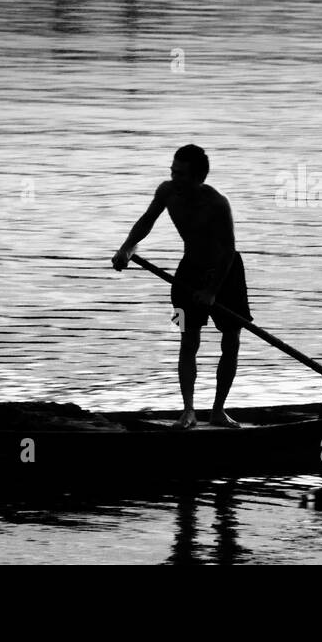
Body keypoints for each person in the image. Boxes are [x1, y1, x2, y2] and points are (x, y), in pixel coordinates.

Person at [111, 145, 252, 429]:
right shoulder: (166, 192)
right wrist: (126, 248)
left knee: (231, 341)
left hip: (227, 274)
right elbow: (146, 222)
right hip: (188, 273)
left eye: (182, 175)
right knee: (188, 340)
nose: (175, 179)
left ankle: (218, 411)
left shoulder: (217, 203)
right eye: (173, 172)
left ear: (198, 177)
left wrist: (212, 291)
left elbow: (228, 251)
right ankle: (188, 410)